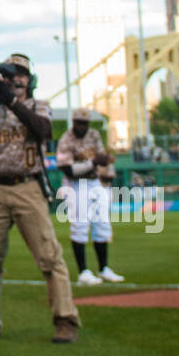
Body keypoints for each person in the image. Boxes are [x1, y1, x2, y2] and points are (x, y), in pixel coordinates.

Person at [0, 54, 80, 343]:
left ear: (30, 79)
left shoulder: (36, 105)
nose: (15, 78)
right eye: (10, 73)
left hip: (27, 185)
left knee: (49, 257)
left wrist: (11, 101)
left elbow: (43, 130)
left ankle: (65, 319)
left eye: (21, 74)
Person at [56, 107, 124, 284]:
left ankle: (103, 269)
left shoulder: (93, 134)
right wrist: (92, 162)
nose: (82, 126)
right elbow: (68, 170)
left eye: (84, 123)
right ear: (74, 122)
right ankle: (83, 272)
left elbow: (101, 157)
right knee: (80, 225)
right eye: (79, 122)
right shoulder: (66, 139)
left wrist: (107, 171)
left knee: (102, 224)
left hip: (94, 182)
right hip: (76, 184)